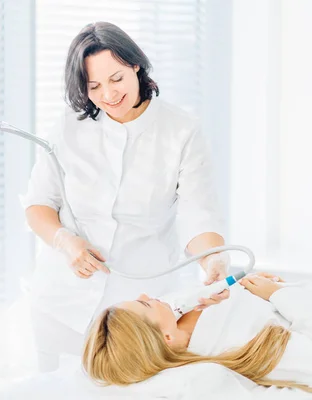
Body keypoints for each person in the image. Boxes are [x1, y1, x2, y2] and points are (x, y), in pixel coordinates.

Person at [22, 21, 229, 366]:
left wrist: (213, 260)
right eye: (94, 86)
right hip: (60, 300)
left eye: (116, 79)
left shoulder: (181, 130)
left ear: (136, 66)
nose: (108, 95)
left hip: (137, 309)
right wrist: (66, 242)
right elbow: (39, 204)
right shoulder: (67, 127)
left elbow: (198, 213)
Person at [83, 273, 312, 393]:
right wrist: (277, 294)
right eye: (144, 305)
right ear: (166, 338)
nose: (145, 295)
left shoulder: (175, 312)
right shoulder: (244, 349)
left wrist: (253, 285)